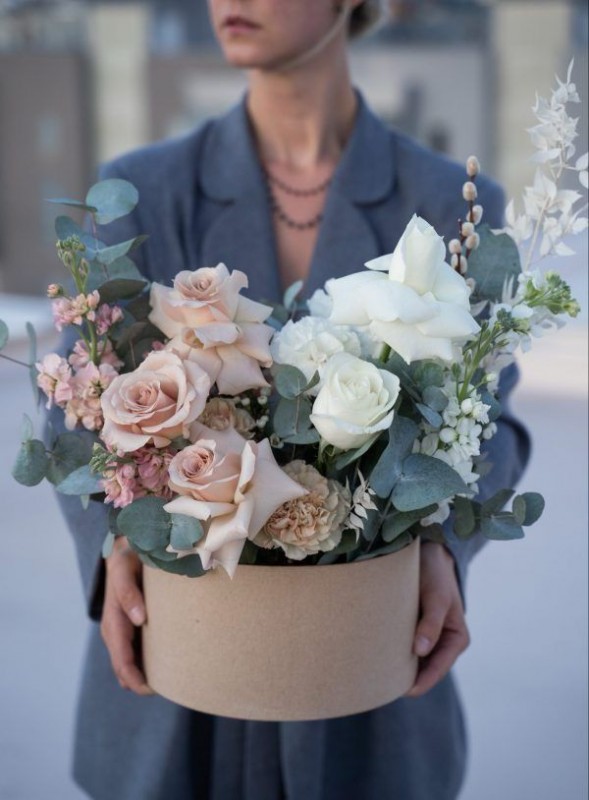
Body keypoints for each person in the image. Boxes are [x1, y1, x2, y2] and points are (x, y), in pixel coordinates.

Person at [53, 1, 530, 798]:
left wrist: (444, 544)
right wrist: (113, 545)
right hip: (178, 678)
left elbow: (491, 420)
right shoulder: (141, 190)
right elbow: (77, 405)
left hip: (364, 671)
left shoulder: (451, 201)